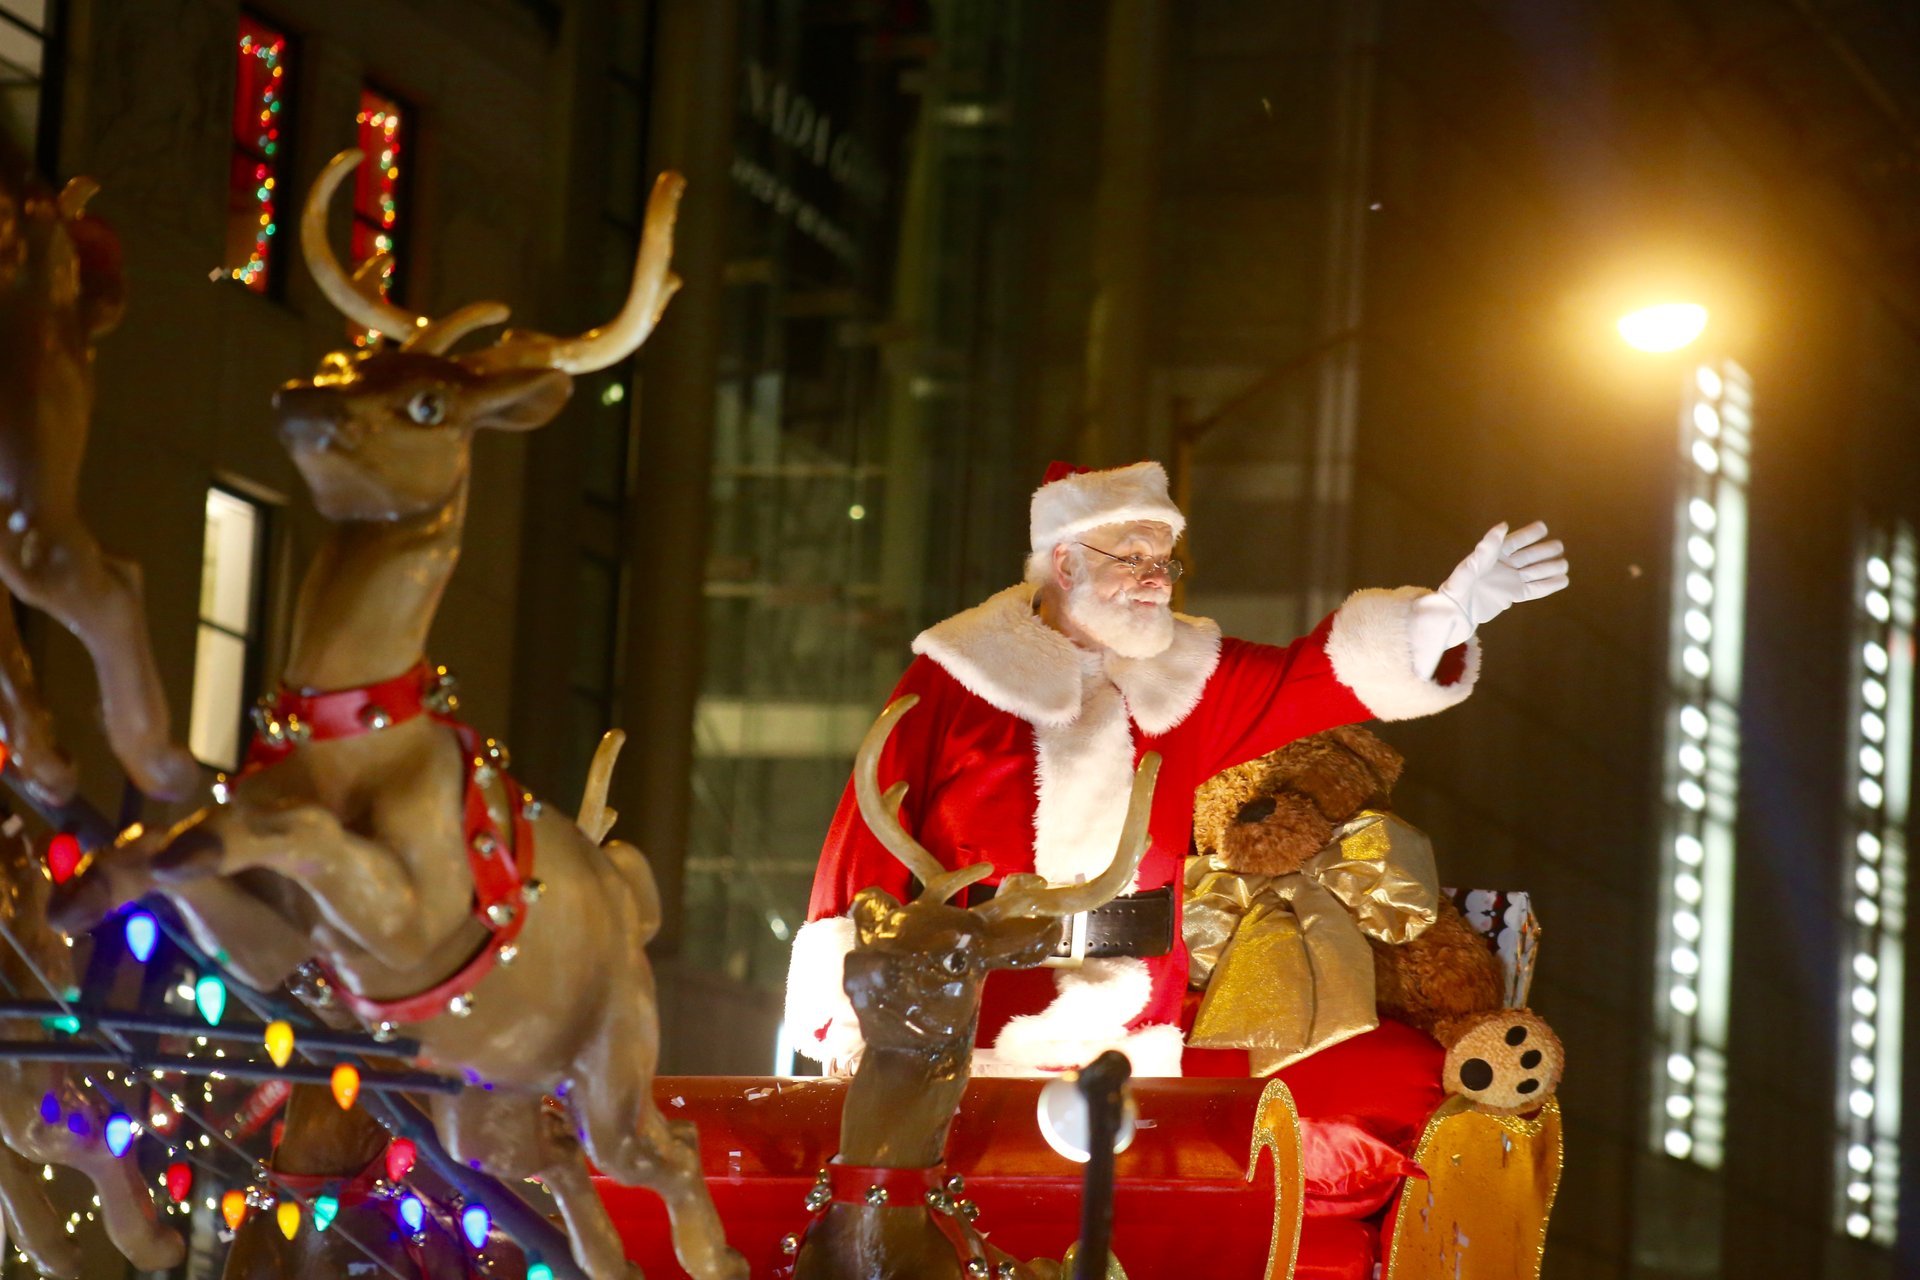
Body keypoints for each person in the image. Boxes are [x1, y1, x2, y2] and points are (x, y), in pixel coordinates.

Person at [786, 461, 1567, 1076]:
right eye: (1131, 557)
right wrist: (848, 999)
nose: (1157, 576)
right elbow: (867, 837)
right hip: (961, 1009)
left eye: (1165, 558)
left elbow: (1317, 676)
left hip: (1128, 1023)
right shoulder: (958, 675)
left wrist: (1449, 614)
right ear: (1063, 561)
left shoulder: (1188, 676)